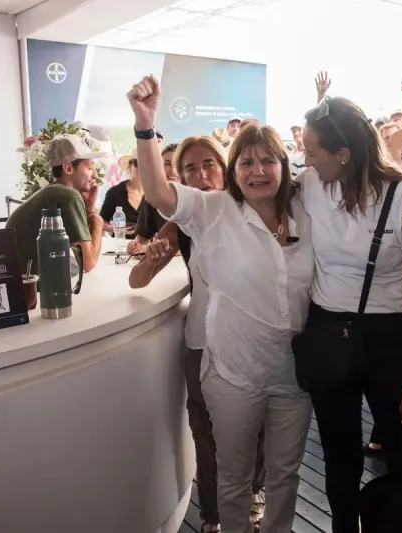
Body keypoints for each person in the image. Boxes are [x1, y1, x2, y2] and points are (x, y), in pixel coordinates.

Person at [128, 76, 313, 533]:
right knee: (232, 479)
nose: (257, 170)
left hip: (295, 376)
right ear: (235, 172)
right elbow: (157, 192)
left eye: (268, 160)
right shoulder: (213, 211)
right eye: (246, 161)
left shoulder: (307, 209)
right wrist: (146, 126)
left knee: (284, 476)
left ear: (284, 166)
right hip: (232, 375)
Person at [298, 96, 402, 533]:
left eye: (313, 151)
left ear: (343, 155)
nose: (305, 159)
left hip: (392, 338)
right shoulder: (309, 184)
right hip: (327, 330)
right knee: (338, 453)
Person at [129, 135, 267, 533]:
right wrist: (153, 257)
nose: (201, 175)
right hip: (202, 344)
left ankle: (254, 493)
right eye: (190, 168)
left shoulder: (254, 210)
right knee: (205, 434)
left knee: (256, 424)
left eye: (209, 165)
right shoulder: (183, 221)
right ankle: (212, 515)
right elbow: (138, 280)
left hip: (251, 340)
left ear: (226, 169)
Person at [5, 135, 105, 274]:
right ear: (68, 168)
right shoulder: (69, 196)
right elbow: (88, 263)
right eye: (89, 167)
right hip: (39, 290)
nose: (95, 175)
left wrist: (89, 206)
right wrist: (97, 220)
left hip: (24, 284)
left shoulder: (51, 193)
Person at [128, 143, 179, 254]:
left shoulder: (195, 199)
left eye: (178, 164)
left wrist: (149, 248)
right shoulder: (152, 198)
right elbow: (143, 236)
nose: (173, 170)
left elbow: (190, 246)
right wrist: (136, 245)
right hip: (166, 266)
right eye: (167, 164)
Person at [100, 151, 144, 237]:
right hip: (120, 246)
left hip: (146, 247)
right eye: (137, 163)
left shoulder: (153, 195)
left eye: (146, 164)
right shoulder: (114, 193)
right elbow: (101, 222)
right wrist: (116, 229)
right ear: (130, 166)